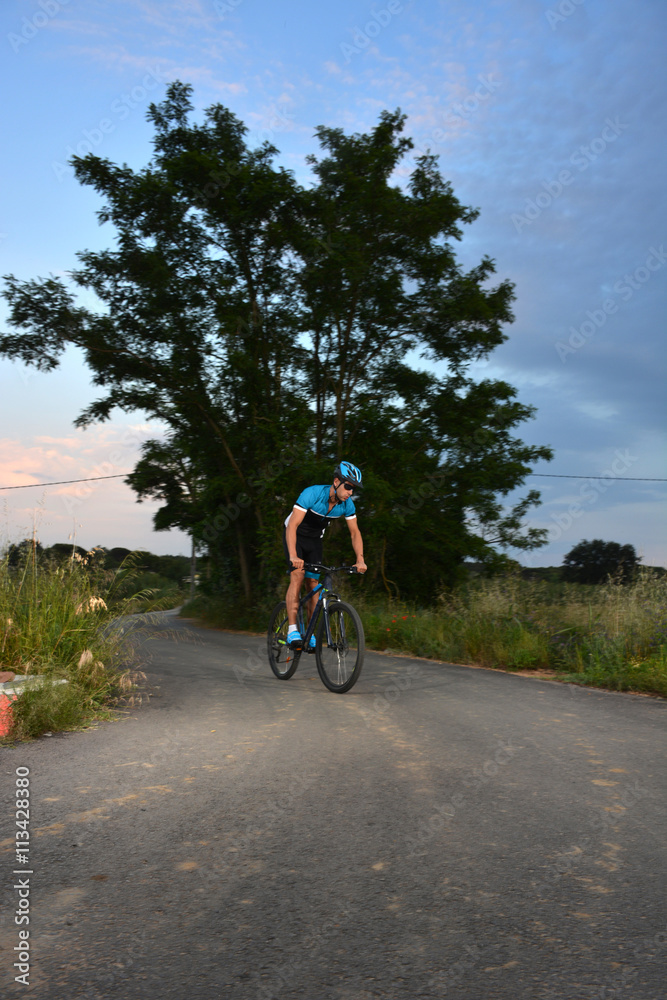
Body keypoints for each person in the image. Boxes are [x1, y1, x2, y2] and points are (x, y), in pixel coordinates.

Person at [284, 461, 367, 648]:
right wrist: (293, 556)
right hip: (294, 535)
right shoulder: (312, 494)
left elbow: (355, 533)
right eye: (348, 487)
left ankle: (310, 634)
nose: (350, 492)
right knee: (297, 576)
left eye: (354, 489)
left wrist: (360, 559)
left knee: (313, 584)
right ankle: (292, 630)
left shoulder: (347, 505)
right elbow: (292, 525)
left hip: (314, 541)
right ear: (336, 481)